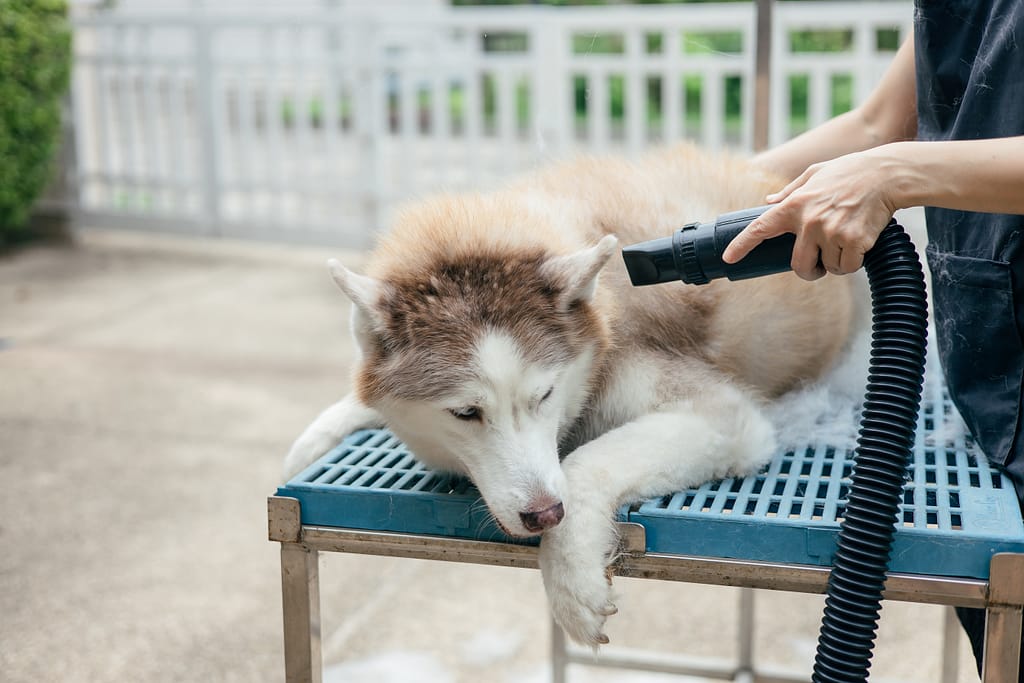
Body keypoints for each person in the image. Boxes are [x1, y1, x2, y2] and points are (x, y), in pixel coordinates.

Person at [720, 1, 1024, 679]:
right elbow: (875, 124)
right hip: (996, 386)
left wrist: (895, 173)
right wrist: (701, 198)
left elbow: (884, 150)